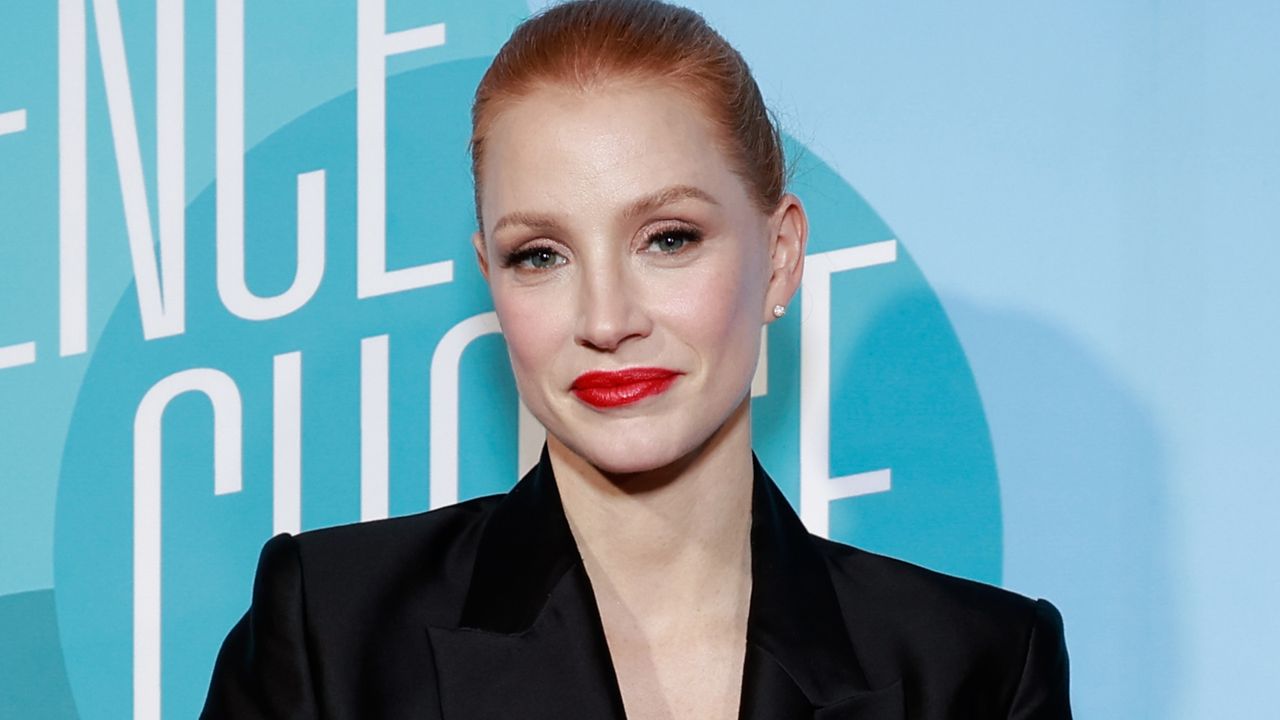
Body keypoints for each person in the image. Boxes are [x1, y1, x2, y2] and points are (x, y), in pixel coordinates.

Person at [201, 1, 1072, 718]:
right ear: (491, 283)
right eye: (540, 254)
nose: (607, 320)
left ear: (779, 257)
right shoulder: (334, 633)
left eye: (668, 238)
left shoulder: (977, 668)